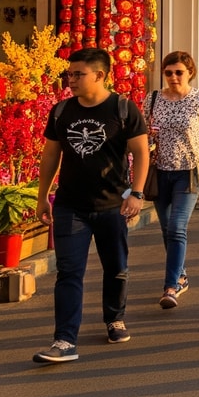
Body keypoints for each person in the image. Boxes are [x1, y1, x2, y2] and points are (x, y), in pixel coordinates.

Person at [32, 48, 148, 363]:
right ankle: (64, 340)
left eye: (78, 74)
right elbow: (50, 156)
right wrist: (43, 196)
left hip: (113, 206)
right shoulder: (61, 111)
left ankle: (114, 318)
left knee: (115, 268)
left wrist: (136, 193)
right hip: (71, 206)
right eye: (69, 74)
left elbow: (141, 150)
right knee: (68, 272)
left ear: (99, 75)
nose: (71, 80)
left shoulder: (123, 108)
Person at [148, 51, 199, 310]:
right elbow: (141, 134)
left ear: (190, 72)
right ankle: (180, 274)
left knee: (177, 227)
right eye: (168, 72)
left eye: (178, 72)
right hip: (158, 172)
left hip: (188, 172)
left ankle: (171, 286)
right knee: (166, 229)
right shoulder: (152, 99)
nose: (173, 77)